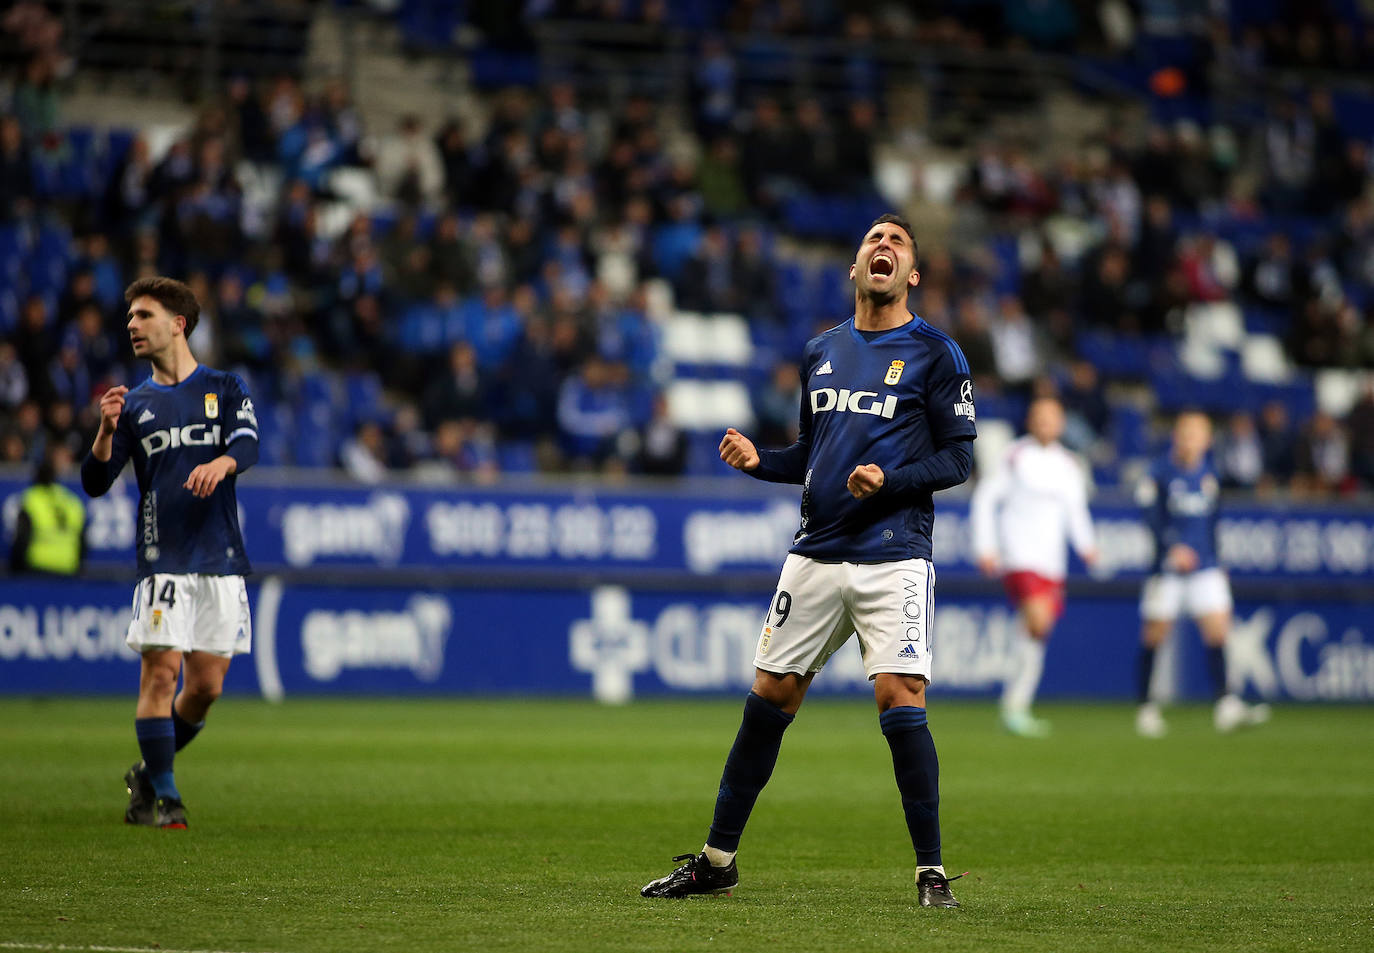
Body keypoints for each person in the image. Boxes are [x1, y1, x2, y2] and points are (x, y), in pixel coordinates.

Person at [640, 215, 977, 908]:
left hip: (894, 555)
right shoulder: (821, 350)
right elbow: (812, 456)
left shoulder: (937, 354)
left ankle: (931, 872)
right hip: (815, 553)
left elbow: (958, 458)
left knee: (900, 696)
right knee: (771, 696)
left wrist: (891, 479)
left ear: (911, 275)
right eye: (872, 241)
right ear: (855, 268)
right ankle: (716, 861)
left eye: (897, 244)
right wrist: (762, 460)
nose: (882, 248)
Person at [81, 277, 259, 829]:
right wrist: (106, 431)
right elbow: (95, 481)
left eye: (143, 315)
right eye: (129, 317)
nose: (131, 325)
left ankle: (146, 771)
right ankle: (167, 798)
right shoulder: (132, 405)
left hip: (219, 557)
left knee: (205, 688)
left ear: (177, 323)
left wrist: (222, 462)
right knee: (161, 676)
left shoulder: (225, 387)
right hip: (162, 557)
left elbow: (248, 444)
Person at [1134, 411, 1268, 738]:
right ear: (1175, 436)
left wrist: (1217, 558)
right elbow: (1150, 517)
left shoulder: (1210, 474)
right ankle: (1146, 708)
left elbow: (1212, 523)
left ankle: (1226, 704)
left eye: (1198, 433)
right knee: (1155, 635)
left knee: (1219, 632)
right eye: (1185, 432)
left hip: (1205, 567)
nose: (1190, 439)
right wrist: (1171, 548)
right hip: (1166, 570)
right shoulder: (1158, 472)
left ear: (1208, 440)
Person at [969, 396, 1097, 737]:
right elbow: (985, 498)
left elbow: (1075, 510)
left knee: (1036, 631)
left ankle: (1016, 704)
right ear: (1030, 420)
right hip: (1019, 555)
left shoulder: (1070, 464)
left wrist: (1087, 545)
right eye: (1039, 416)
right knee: (1037, 621)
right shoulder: (1015, 455)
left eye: (1052, 417)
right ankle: (1015, 705)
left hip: (1051, 562)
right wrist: (986, 546)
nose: (1046, 423)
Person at [9, 446, 86, 576]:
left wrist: (15, 570)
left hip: (38, 568)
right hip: (68, 569)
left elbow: (22, 539)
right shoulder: (71, 501)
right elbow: (83, 542)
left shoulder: (31, 499)